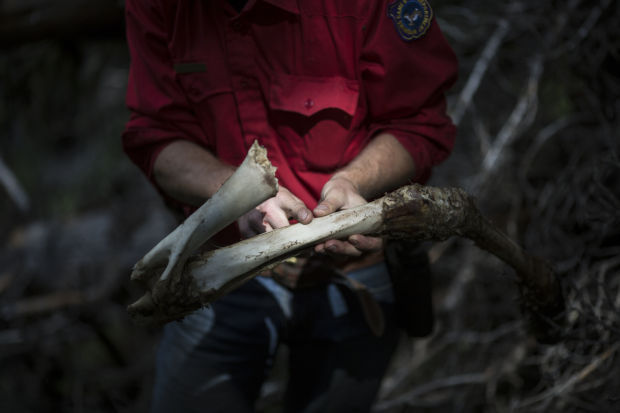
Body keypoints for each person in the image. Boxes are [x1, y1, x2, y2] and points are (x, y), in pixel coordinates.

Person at [122, 0, 457, 411]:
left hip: (351, 275)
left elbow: (419, 123)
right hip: (218, 270)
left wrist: (353, 183)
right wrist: (234, 196)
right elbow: (154, 137)